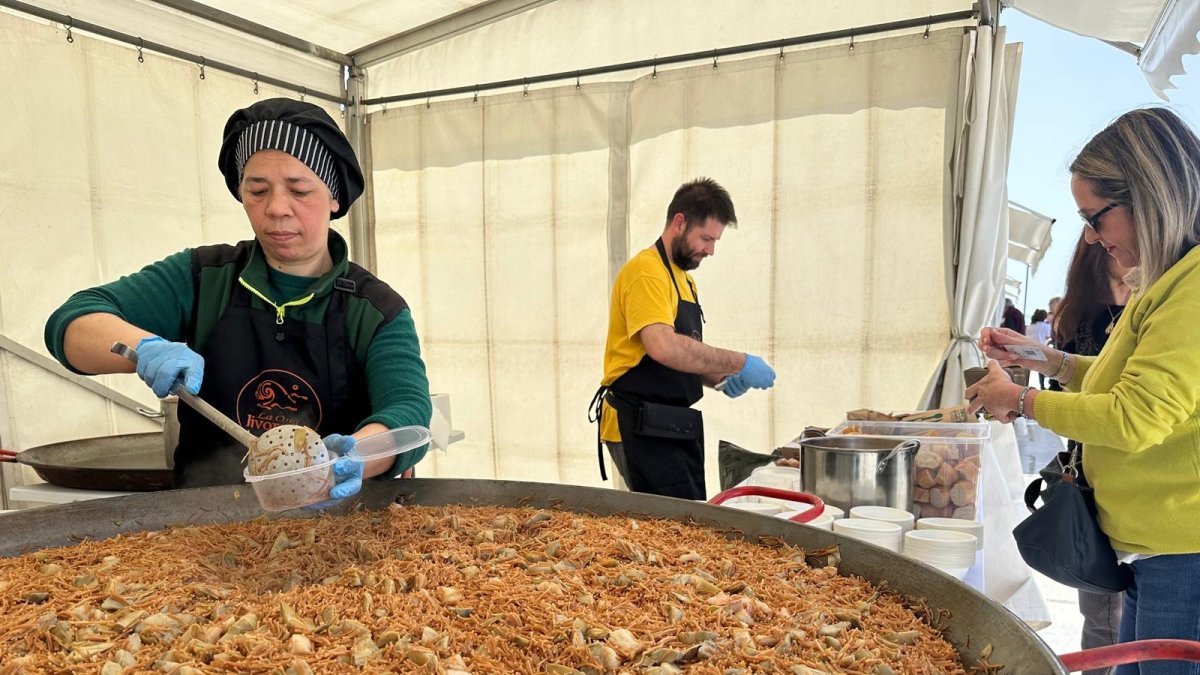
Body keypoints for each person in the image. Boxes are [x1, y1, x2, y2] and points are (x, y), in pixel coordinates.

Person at [44, 98, 433, 503]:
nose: (277, 209)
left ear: (335, 197)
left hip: (338, 524)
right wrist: (143, 348)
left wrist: (351, 458)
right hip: (202, 521)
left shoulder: (375, 309)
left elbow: (408, 411)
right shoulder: (202, 278)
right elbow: (71, 323)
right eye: (257, 190)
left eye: (299, 190)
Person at [966, 108, 1200, 675]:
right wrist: (1042, 358)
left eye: (1096, 218)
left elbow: (1134, 416)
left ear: (1150, 197)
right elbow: (1121, 378)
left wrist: (1020, 401)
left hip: (1184, 551)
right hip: (1157, 548)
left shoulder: (1192, 287)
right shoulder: (1166, 279)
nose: (1093, 239)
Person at [590, 178, 776, 500]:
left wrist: (719, 377)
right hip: (639, 421)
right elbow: (662, 347)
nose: (711, 250)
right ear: (680, 222)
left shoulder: (684, 281)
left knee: (691, 517)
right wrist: (740, 361)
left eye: (715, 241)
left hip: (672, 421)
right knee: (677, 527)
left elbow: (683, 353)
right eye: (706, 238)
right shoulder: (646, 272)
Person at [1050, 230, 1133, 675]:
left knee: (1137, 627)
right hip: (1089, 477)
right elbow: (1080, 388)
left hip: (1140, 485)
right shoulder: (1078, 316)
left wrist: (1024, 400)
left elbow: (1129, 409)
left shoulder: (1163, 301)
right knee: (1104, 616)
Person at [1024, 309, 1052, 388]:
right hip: (1040, 349)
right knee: (1041, 369)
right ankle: (1042, 386)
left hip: (1027, 348)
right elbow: (1048, 336)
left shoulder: (1030, 326)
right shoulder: (1046, 326)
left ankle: (1025, 384)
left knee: (1027, 368)